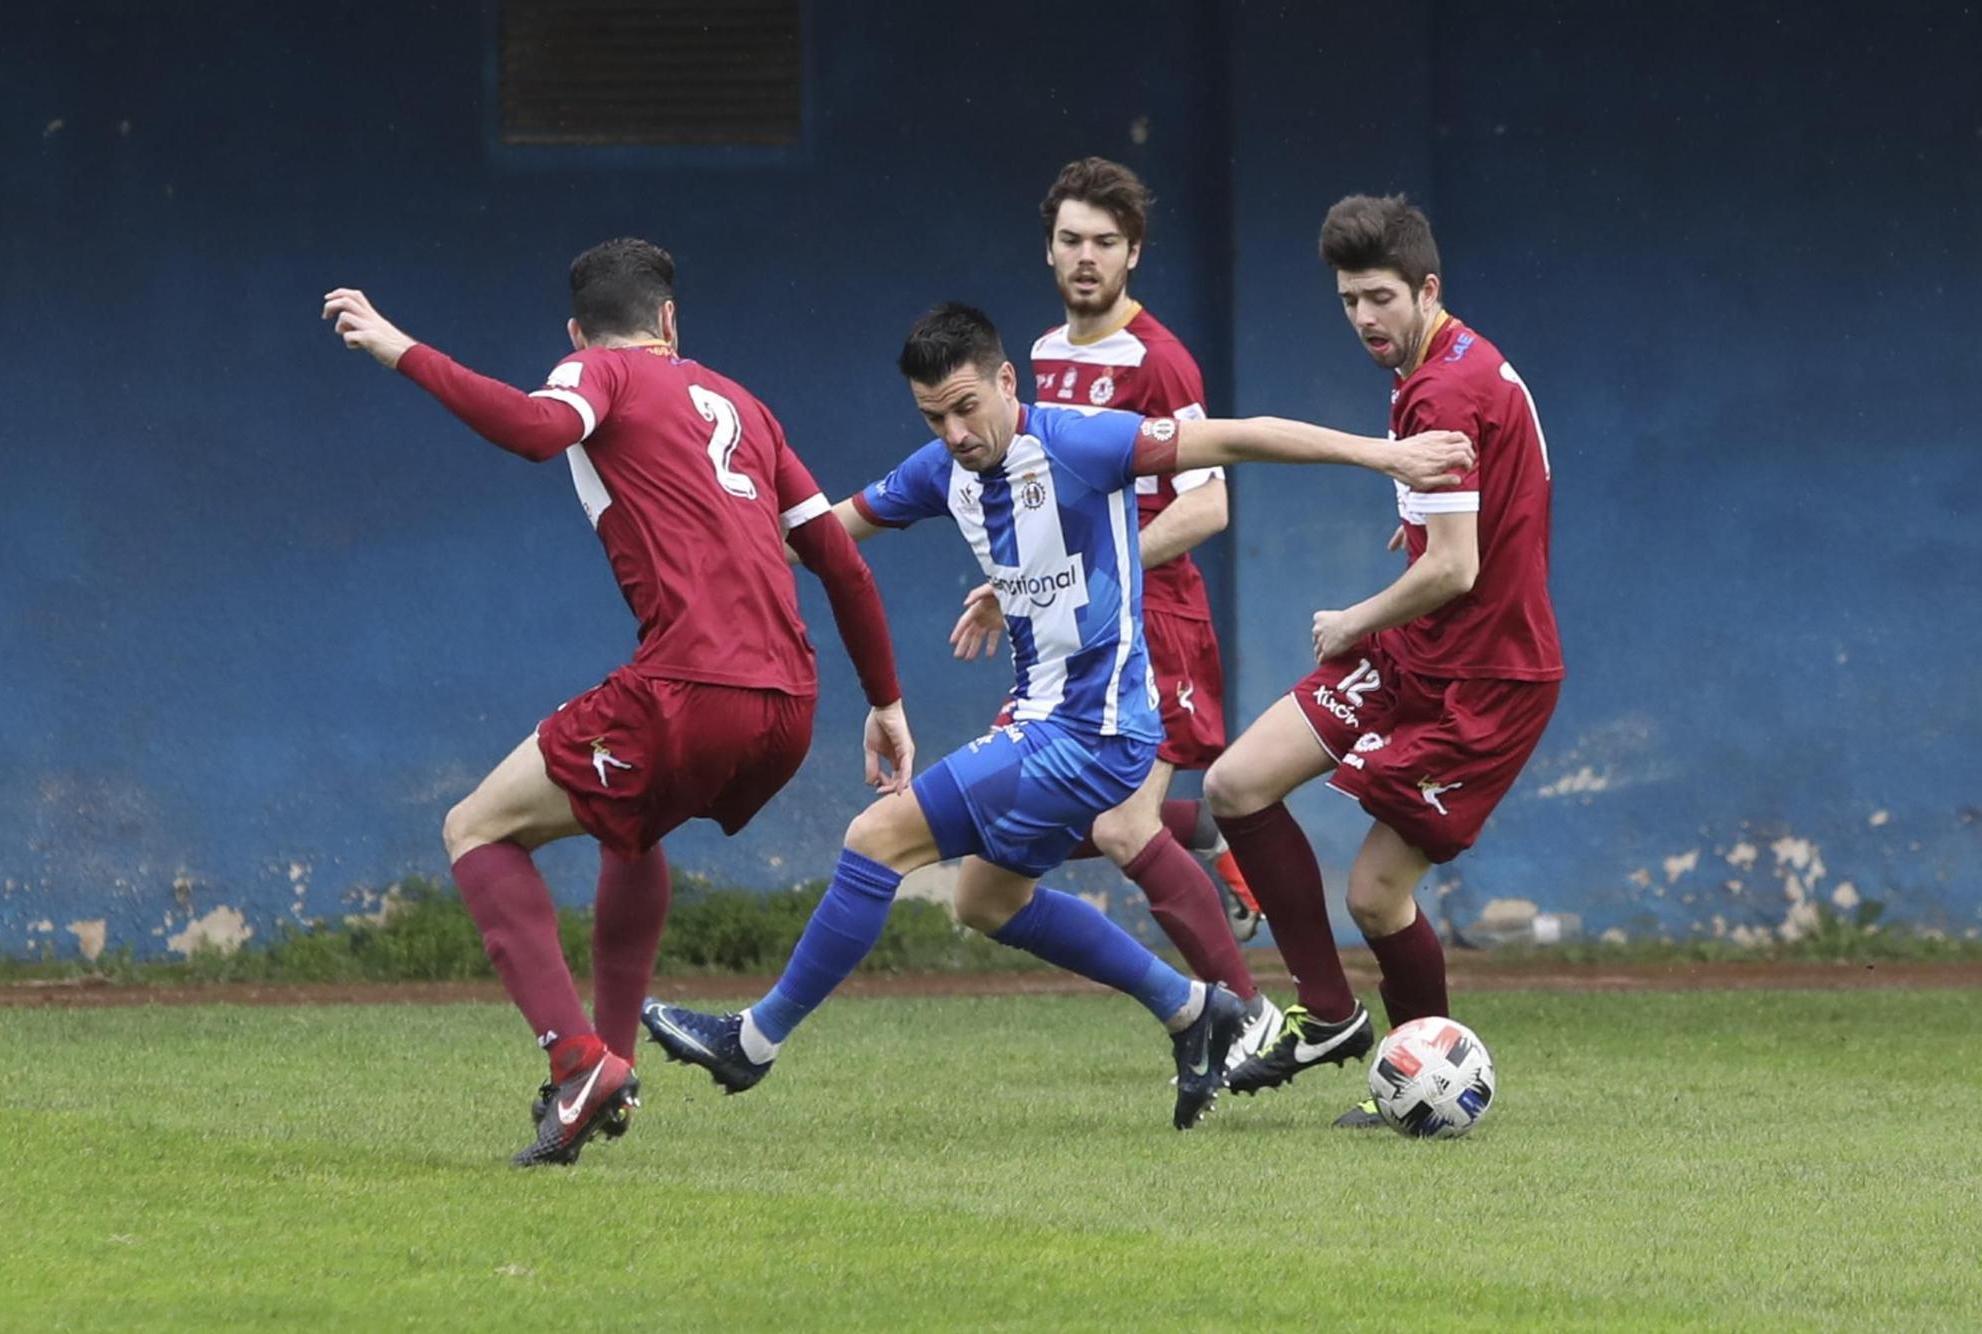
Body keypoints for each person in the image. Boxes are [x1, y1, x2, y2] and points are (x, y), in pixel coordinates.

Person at [643, 302, 1473, 1131]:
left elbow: (1242, 435)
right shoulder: (941, 470)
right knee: (986, 901)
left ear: (1008, 381)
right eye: (935, 416)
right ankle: (1196, 1012)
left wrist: (1385, 455)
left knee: (875, 838)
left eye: (968, 407)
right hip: (1047, 721)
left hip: (1089, 731)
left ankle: (751, 1043)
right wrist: (709, 514)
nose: (957, 432)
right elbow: (823, 536)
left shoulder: (1081, 442)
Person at [322, 238, 913, 1166]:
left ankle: (575, 1064)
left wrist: (399, 346)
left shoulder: (598, 371)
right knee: (630, 830)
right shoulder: (746, 406)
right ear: (671, 321)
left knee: (474, 829)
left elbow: (533, 429)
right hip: (791, 705)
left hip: (694, 686)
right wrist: (886, 702)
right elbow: (842, 562)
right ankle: (615, 1074)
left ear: (579, 331)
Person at [1202, 195, 1563, 1127]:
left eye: (1379, 297)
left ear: (1426, 289)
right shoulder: (1440, 367)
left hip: (1483, 680)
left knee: (1373, 893)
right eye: (1348, 300)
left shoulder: (1445, 390)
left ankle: (1431, 1088)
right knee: (1237, 786)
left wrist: (1354, 618)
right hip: (1416, 654)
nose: (1364, 317)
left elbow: (1456, 567)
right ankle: (1327, 1015)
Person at [947, 158, 1280, 1070]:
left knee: (1120, 827)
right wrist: (1017, 579)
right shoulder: (1042, 359)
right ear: (1047, 249)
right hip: (1068, 636)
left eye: (1104, 242)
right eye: (1070, 241)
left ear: (1133, 252)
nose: (1085, 258)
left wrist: (1100, 569)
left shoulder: (1158, 358)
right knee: (1028, 842)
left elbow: (1208, 506)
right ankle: (1203, 836)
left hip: (1155, 625)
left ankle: (1250, 1025)